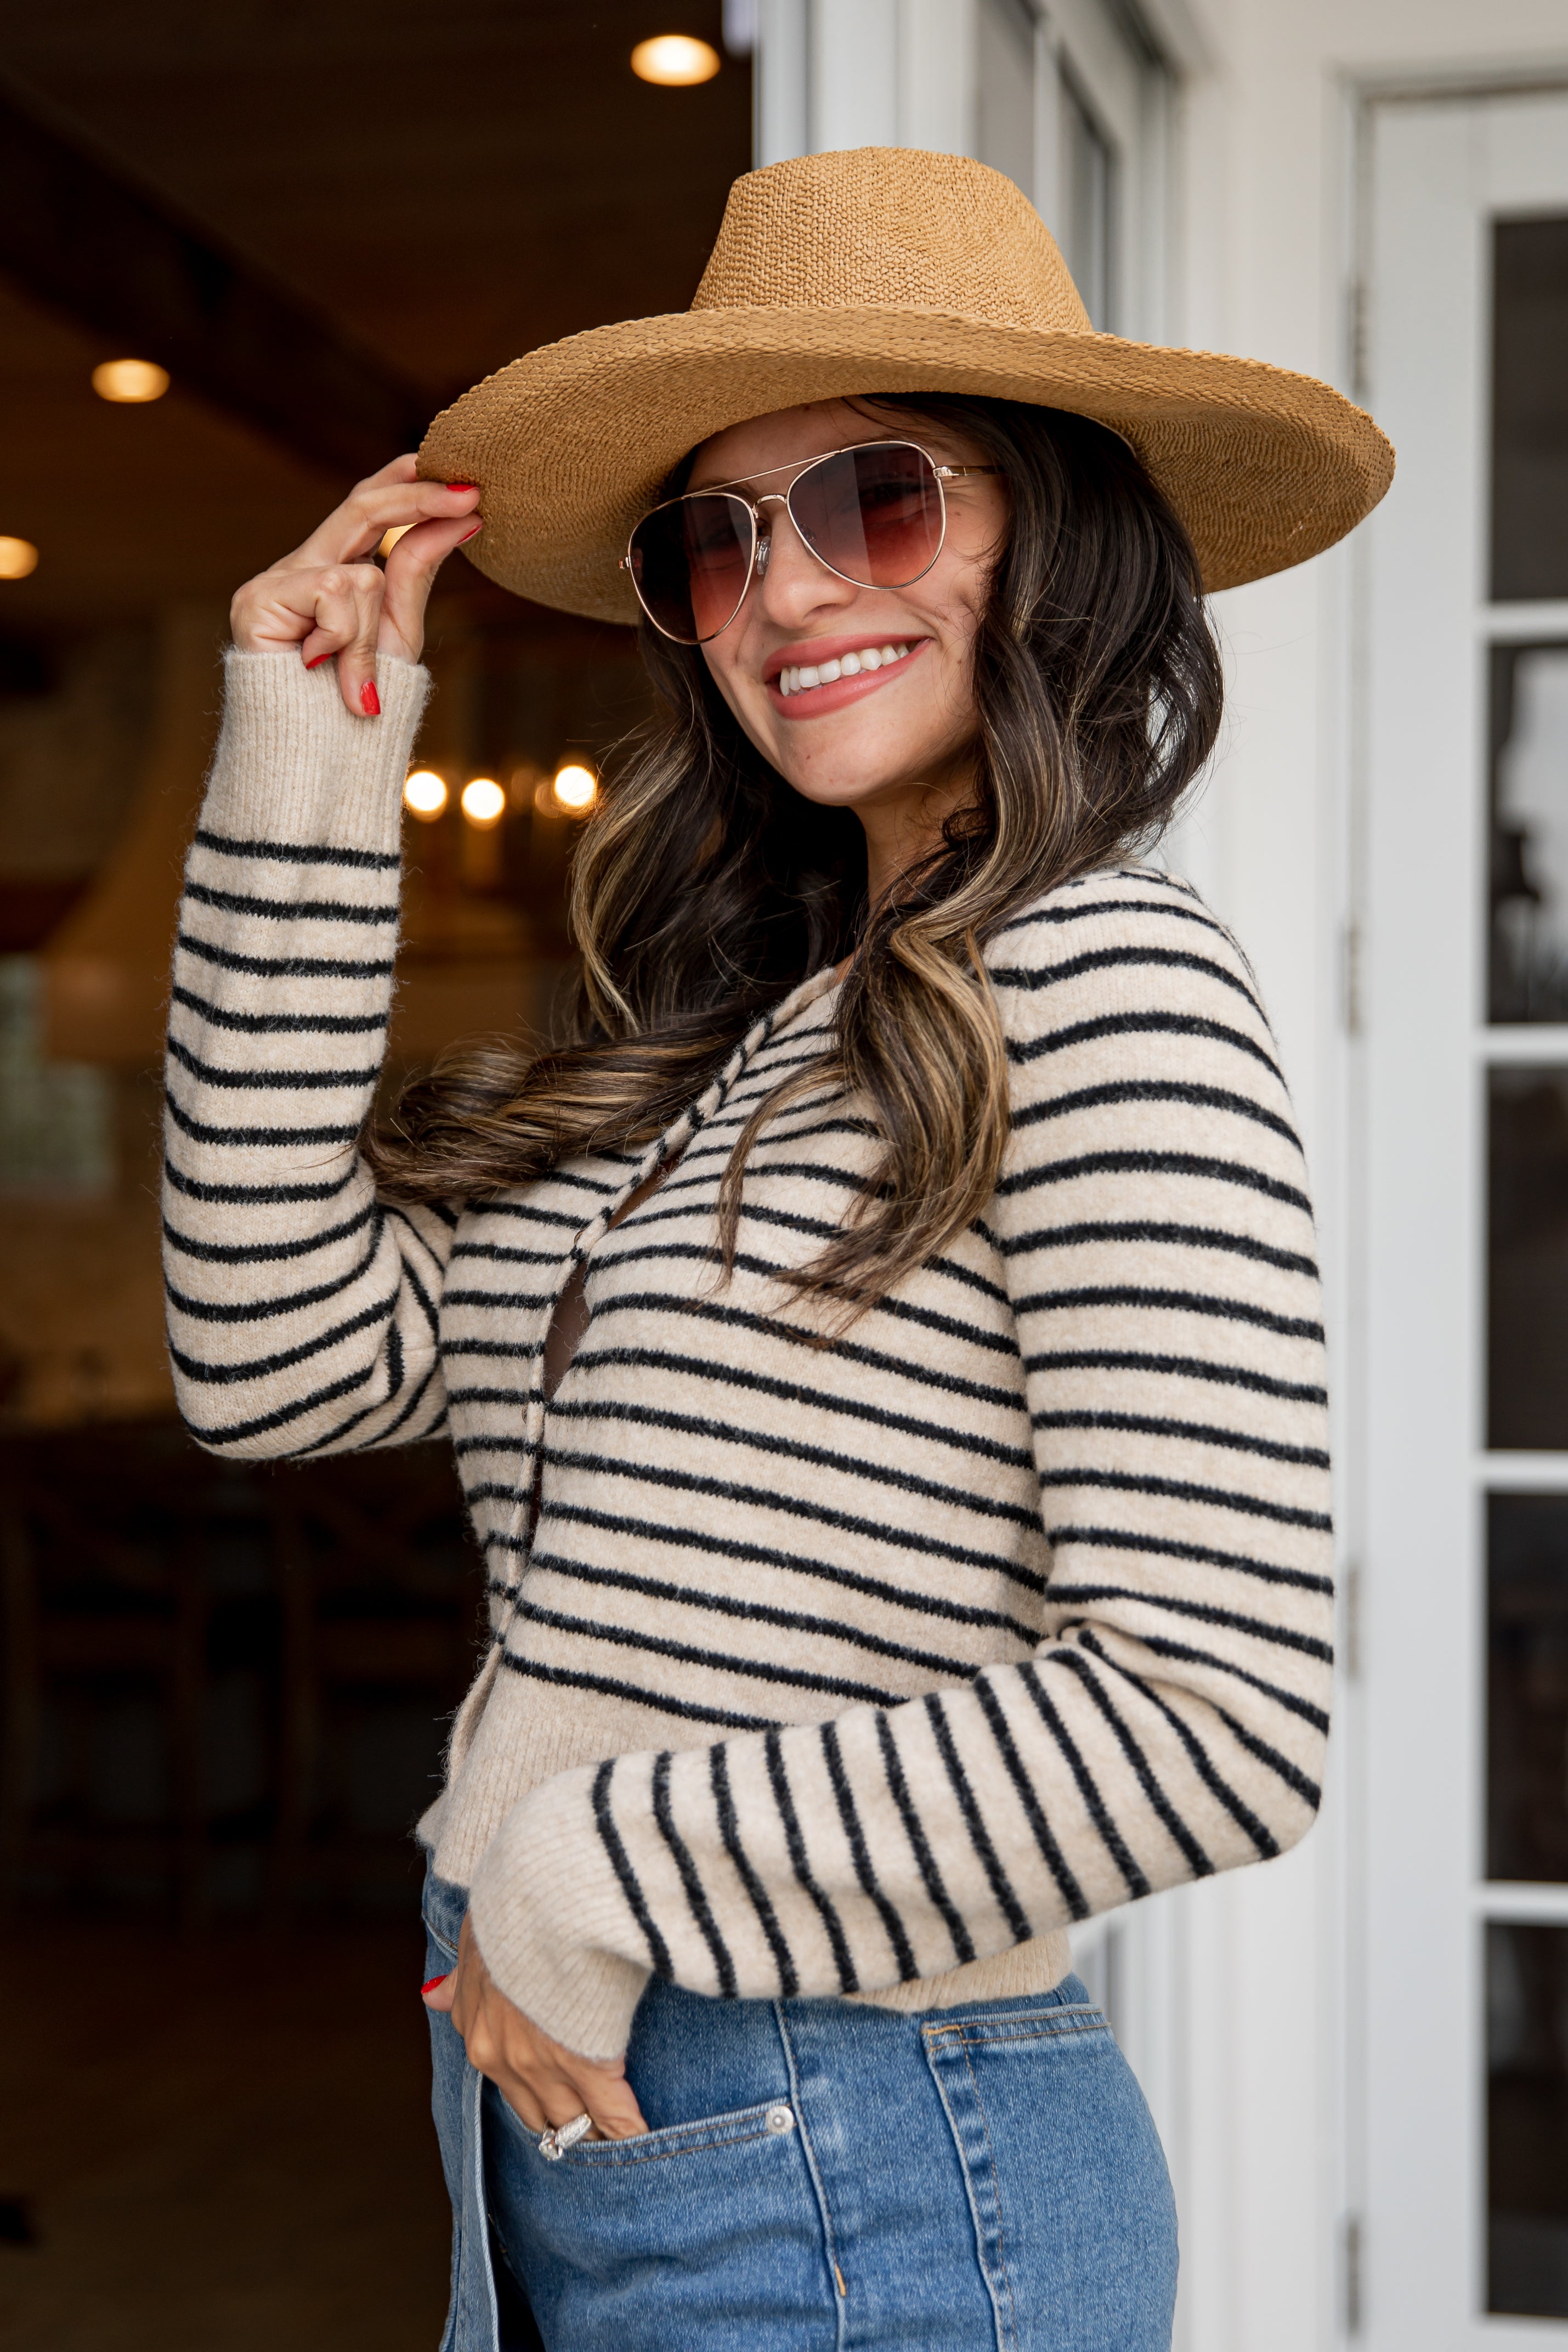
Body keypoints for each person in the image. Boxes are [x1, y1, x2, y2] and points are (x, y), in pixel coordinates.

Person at [163, 148, 1391, 2352]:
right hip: (619, 2124)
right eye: (707, 542)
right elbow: (270, 1358)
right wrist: (309, 766)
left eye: (877, 503)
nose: (784, 592)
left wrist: (577, 1870)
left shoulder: (1099, 976)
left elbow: (1216, 1711)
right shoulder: (735, 1044)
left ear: (1055, 525)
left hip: (859, 2148)